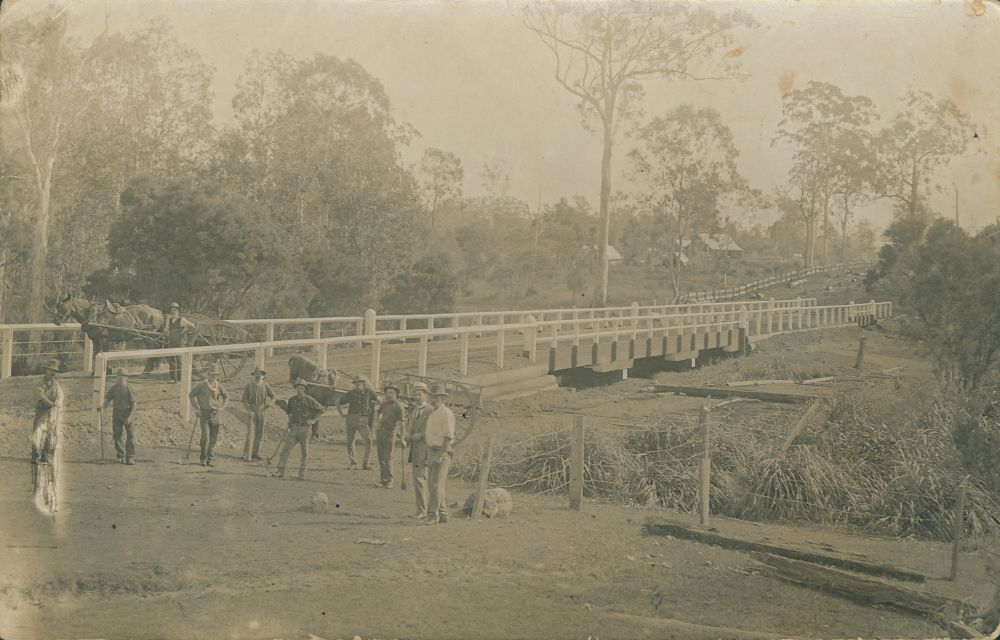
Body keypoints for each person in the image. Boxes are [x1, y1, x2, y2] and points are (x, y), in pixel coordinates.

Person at [272, 379, 325, 480]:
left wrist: (313, 420)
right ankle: (280, 471)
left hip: (305, 429)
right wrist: (290, 421)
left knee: (304, 451)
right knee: (286, 449)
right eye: (298, 388)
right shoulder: (292, 399)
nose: (300, 390)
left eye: (302, 388)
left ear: (304, 390)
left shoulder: (309, 399)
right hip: (294, 429)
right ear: (295, 388)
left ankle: (302, 473)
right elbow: (288, 412)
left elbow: (322, 410)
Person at [424, 384, 455, 524]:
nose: (434, 399)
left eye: (437, 397)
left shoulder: (446, 413)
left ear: (443, 398)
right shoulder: (433, 413)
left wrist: (440, 455)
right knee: (433, 485)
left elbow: (448, 437)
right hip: (432, 450)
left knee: (436, 485)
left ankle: (432, 515)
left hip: (442, 451)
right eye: (432, 397)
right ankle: (443, 514)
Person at [31, 359, 64, 490]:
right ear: (46, 370)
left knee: (49, 433)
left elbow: (60, 395)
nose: (53, 373)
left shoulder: (56, 384)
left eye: (55, 371)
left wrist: (59, 403)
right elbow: (40, 396)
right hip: (41, 411)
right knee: (38, 433)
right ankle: (35, 455)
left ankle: (44, 454)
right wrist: (52, 404)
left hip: (52, 411)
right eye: (51, 371)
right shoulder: (40, 383)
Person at [188, 365, 228, 466]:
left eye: (215, 375)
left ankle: (210, 459)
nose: (213, 377)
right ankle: (203, 458)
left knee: (214, 438)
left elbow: (226, 397)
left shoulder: (218, 386)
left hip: (216, 414)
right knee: (205, 436)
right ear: (208, 374)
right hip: (204, 413)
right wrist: (197, 408)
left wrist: (222, 407)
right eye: (211, 375)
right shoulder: (202, 385)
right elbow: (191, 395)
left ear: (217, 376)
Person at [402, 382, 431, 518]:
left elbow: (432, 430)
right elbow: (410, 428)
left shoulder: (430, 410)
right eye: (415, 395)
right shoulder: (415, 410)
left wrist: (421, 435)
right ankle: (421, 509)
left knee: (420, 479)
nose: (417, 397)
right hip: (415, 450)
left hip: (425, 450)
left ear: (425, 395)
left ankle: (423, 510)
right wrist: (406, 436)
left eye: (420, 394)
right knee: (417, 479)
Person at [337, 376, 377, 470]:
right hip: (351, 418)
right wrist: (342, 414)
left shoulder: (369, 392)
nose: (357, 385)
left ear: (364, 383)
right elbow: (338, 402)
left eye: (359, 383)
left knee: (368, 440)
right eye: (356, 383)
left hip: (363, 419)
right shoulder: (350, 393)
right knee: (350, 441)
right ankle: (353, 462)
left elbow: (377, 399)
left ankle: (366, 463)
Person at [100, 368, 138, 464]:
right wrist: (102, 406)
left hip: (127, 413)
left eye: (123, 376)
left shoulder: (128, 388)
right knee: (117, 435)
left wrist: (130, 417)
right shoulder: (114, 388)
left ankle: (130, 457)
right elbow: (107, 400)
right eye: (119, 376)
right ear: (116, 377)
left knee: (130, 435)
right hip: (117, 413)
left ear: (126, 377)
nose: (121, 378)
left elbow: (134, 404)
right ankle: (121, 456)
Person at [374, 382, 406, 488]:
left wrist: (402, 438)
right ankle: (383, 479)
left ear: (396, 393)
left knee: (387, 458)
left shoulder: (399, 406)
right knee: (381, 457)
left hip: (390, 434)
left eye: (392, 392)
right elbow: (378, 412)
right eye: (388, 392)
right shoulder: (384, 403)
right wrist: (377, 423)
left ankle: (390, 481)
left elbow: (402, 423)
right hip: (380, 433)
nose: (389, 394)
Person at [241, 367, 275, 461]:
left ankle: (256, 453)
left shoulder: (265, 385)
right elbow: (244, 400)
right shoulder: (248, 385)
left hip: (262, 410)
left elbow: (274, 396)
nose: (258, 376)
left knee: (260, 433)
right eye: (256, 374)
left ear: (263, 376)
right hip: (252, 409)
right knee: (250, 432)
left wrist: (269, 404)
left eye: (260, 374)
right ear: (253, 375)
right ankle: (246, 453)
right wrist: (249, 410)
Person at [160, 302, 195, 383]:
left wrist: (184, 331)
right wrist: (164, 333)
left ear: (178, 312)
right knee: (172, 360)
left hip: (179, 342)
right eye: (172, 310)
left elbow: (192, 325)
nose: (173, 312)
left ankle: (180, 378)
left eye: (175, 310)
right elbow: (166, 330)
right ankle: (173, 379)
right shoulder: (169, 320)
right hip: (171, 341)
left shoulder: (181, 320)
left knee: (179, 360)